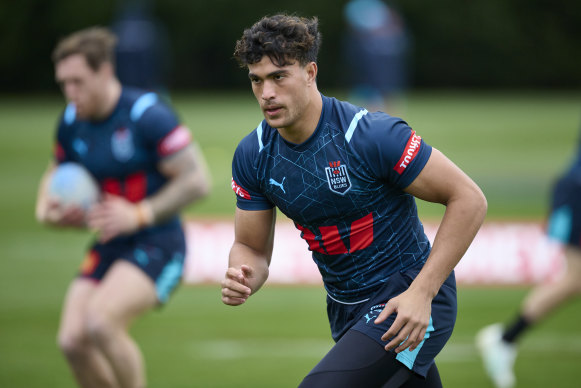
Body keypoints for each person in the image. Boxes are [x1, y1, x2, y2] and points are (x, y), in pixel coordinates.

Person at [221, 14, 487, 387]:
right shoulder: (254, 154)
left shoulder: (370, 135)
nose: (266, 93)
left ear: (310, 72)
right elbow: (250, 246)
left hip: (410, 295)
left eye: (279, 77)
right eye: (256, 80)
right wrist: (243, 274)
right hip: (346, 310)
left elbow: (469, 199)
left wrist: (421, 292)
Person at [35, 27, 210, 388]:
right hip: (112, 241)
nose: (70, 93)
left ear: (104, 71)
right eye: (63, 83)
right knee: (72, 341)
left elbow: (197, 181)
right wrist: (46, 210)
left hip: (160, 241)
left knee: (101, 322)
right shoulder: (71, 122)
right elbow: (54, 173)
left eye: (78, 82)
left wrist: (139, 214)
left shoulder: (147, 114)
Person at [476, 119, 581, 388]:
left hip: (573, 189)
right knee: (575, 278)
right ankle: (505, 339)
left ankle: (505, 339)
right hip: (577, 192)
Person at [342, 0, 409, 114]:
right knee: (369, 83)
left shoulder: (378, 6)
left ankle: (383, 109)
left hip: (378, 56)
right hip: (366, 54)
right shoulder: (357, 7)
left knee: (384, 83)